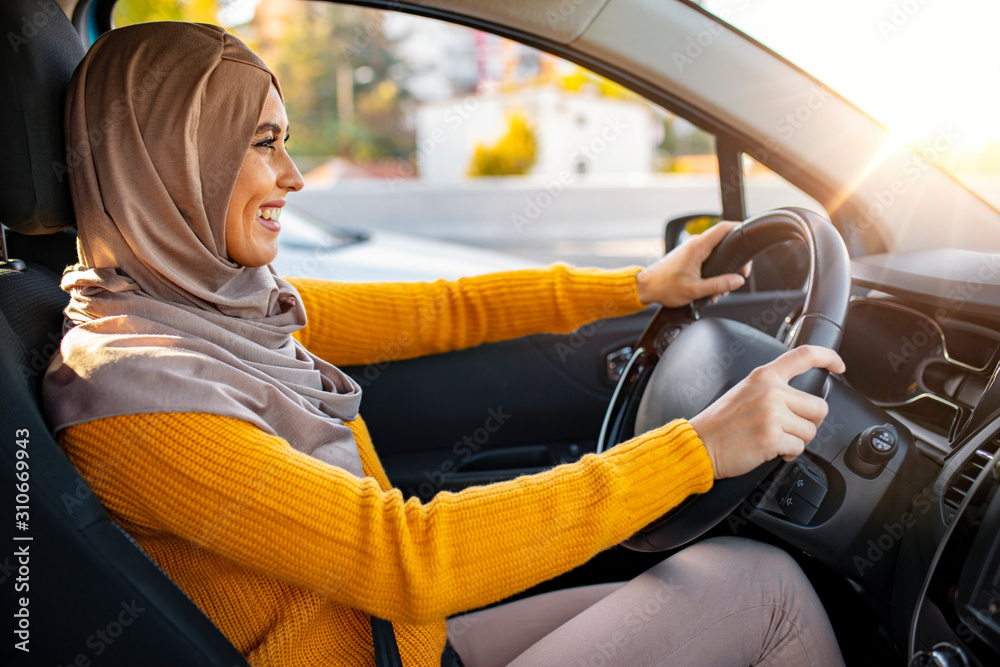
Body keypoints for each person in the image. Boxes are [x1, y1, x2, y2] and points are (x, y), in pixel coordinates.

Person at [42, 21, 846, 667]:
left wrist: (638, 288)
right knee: (763, 591)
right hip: (394, 635)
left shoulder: (210, 311)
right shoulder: (136, 394)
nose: (293, 176)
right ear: (174, 164)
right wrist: (699, 447)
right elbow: (407, 557)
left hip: (410, 642)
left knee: (722, 578)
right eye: (261, 143)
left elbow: (439, 310)